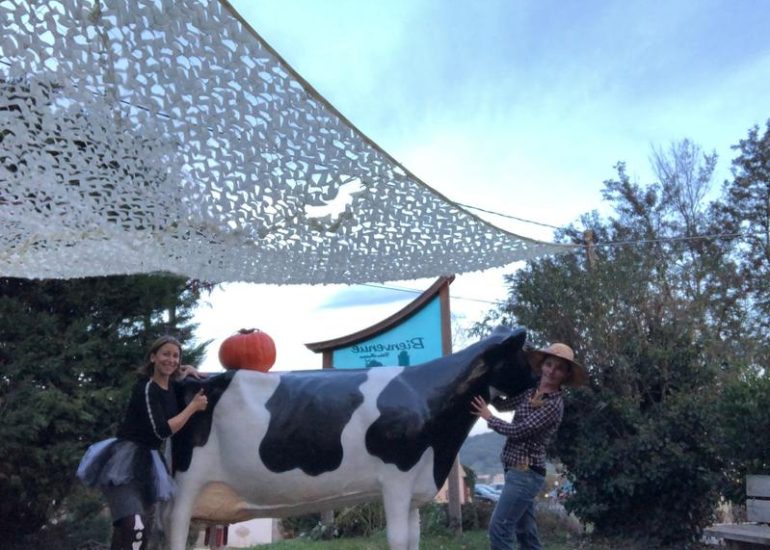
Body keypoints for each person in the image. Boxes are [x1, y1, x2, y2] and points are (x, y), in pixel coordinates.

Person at [76, 336, 209, 550]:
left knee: (134, 535)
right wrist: (193, 407)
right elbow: (161, 430)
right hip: (123, 463)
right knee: (134, 527)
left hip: (149, 466)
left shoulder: (172, 387)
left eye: (176, 356)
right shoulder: (147, 388)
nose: (171, 359)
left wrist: (188, 368)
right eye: (165, 354)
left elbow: (178, 375)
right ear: (153, 357)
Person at [471, 342, 587, 550]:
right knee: (526, 534)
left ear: (565, 375)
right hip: (514, 469)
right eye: (549, 364)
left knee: (499, 529)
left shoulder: (554, 405)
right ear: (542, 365)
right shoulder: (531, 393)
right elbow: (503, 404)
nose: (552, 371)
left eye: (559, 368)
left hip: (526, 473)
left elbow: (520, 431)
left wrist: (489, 418)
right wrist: (485, 383)